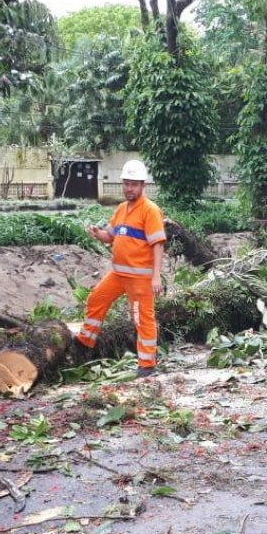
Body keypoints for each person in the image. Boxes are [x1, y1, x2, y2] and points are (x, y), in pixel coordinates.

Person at [75, 160, 166, 378]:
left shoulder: (150, 211)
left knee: (141, 317)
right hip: (118, 274)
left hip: (140, 279)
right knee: (96, 299)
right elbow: (111, 235)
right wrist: (98, 234)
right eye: (126, 184)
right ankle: (85, 341)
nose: (129, 189)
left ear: (143, 185)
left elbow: (158, 244)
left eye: (133, 184)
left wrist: (156, 278)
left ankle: (147, 363)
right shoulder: (122, 209)